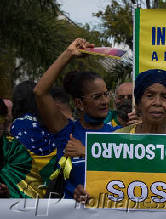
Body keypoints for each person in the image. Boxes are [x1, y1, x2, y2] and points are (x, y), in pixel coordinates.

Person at [74, 69, 166, 207]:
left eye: (165, 97)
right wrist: (86, 194)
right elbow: (101, 188)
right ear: (138, 104)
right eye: (150, 96)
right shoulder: (118, 137)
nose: (157, 102)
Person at [33, 38, 117, 198]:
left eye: (106, 94)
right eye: (97, 96)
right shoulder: (66, 132)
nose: (105, 101)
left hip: (111, 217)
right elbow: (40, 92)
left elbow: (127, 169)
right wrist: (69, 54)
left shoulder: (117, 133)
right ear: (79, 103)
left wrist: (86, 153)